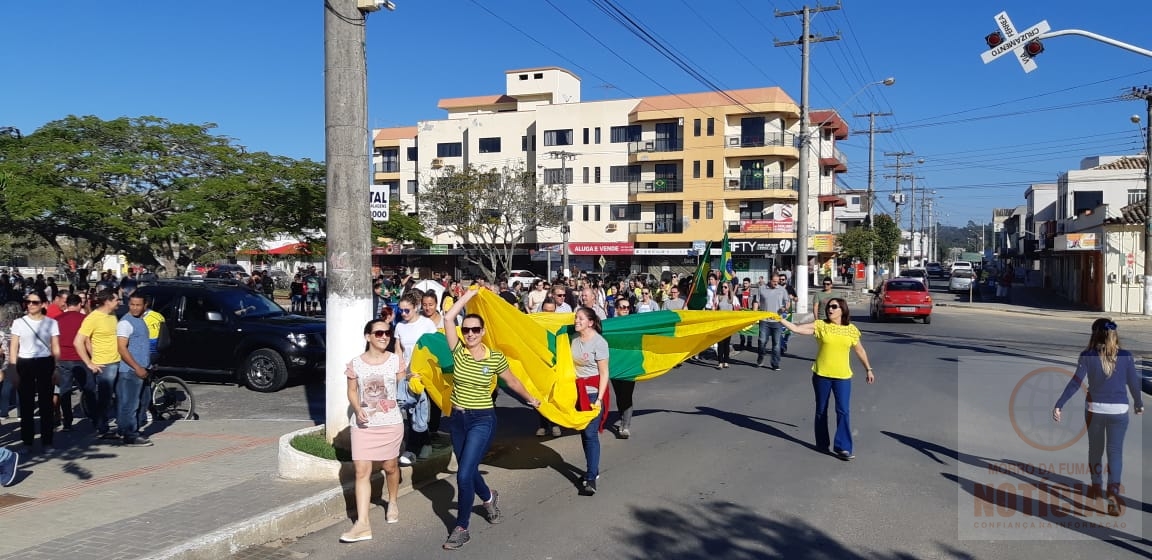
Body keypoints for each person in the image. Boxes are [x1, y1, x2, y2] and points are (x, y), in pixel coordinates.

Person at [435, 288, 540, 550]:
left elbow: (512, 380)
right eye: (467, 329)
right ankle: (489, 497)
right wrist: (469, 296)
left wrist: (530, 399)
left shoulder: (494, 358)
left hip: (482, 420)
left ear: (482, 332)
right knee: (468, 471)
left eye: (474, 329)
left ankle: (461, 527)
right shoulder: (458, 351)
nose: (469, 333)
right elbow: (448, 318)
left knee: (462, 475)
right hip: (457, 420)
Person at [1053, 319, 1143, 516]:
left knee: (1095, 449)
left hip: (1095, 409)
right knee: (1115, 453)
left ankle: (1096, 487)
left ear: (1094, 335)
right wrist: (1138, 403)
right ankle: (1113, 494)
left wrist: (1060, 404)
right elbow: (1133, 383)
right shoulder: (1126, 356)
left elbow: (1076, 383)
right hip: (1118, 411)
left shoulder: (1088, 356)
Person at [780, 298, 874, 461]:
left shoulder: (851, 330)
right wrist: (780, 319)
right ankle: (822, 443)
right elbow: (797, 329)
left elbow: (860, 350)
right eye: (828, 307)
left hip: (843, 377)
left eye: (834, 307)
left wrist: (868, 369)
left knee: (843, 411)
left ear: (842, 310)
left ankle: (843, 447)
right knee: (821, 410)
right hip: (822, 375)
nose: (830, 309)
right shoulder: (821, 326)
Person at [339, 319, 407, 543]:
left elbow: (403, 385)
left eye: (387, 333)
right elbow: (351, 391)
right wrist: (357, 409)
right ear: (368, 336)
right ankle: (362, 523)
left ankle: (393, 501)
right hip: (363, 425)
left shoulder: (396, 361)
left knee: (390, 466)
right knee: (361, 471)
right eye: (378, 333)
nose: (384, 337)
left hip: (390, 423)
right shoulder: (355, 364)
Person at [10, 290, 61, 451]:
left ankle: (47, 441)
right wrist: (13, 369)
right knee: (26, 404)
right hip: (25, 362)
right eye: (28, 302)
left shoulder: (51, 323)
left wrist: (56, 368)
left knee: (46, 404)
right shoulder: (19, 322)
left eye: (35, 302)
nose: (30, 305)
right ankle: (27, 441)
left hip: (45, 362)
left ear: (43, 304)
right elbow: (13, 347)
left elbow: (56, 347)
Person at [394, 291, 437, 463]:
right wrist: (400, 373)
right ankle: (421, 445)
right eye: (401, 311)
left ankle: (416, 447)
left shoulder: (426, 324)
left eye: (407, 310)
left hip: (422, 374)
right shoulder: (399, 326)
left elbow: (434, 348)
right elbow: (399, 351)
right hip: (406, 374)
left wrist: (424, 372)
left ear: (416, 308)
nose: (403, 314)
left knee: (421, 410)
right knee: (409, 410)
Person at [74, 289, 122, 440]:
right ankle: (102, 428)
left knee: (119, 396)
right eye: (116, 300)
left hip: (118, 360)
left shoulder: (112, 315)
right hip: (104, 364)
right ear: (107, 301)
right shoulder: (93, 318)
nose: (119, 302)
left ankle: (120, 426)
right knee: (105, 399)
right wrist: (89, 362)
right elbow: (78, 341)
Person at [573, 307, 610, 495]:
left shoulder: (599, 342)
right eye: (575, 317)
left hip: (594, 393)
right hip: (578, 393)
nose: (576, 320)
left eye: (580, 318)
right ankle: (591, 470)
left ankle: (591, 477)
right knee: (584, 433)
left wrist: (600, 399)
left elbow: (604, 373)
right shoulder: (573, 340)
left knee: (590, 434)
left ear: (590, 322)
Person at [115, 294, 154, 447]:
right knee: (130, 404)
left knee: (143, 401)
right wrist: (137, 367)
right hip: (131, 371)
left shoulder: (140, 320)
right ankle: (130, 434)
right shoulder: (125, 322)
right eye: (132, 304)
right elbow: (121, 348)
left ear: (145, 305)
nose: (135, 308)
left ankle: (130, 430)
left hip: (143, 370)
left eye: (138, 305)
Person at [55, 294, 89, 432]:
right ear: (80, 304)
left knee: (65, 390)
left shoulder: (56, 320)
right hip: (81, 358)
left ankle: (67, 421)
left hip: (63, 358)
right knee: (89, 389)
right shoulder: (85, 319)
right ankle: (94, 418)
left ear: (66, 304)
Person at [609, 298, 638, 439]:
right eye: (622, 307)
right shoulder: (610, 325)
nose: (625, 309)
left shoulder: (634, 324)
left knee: (626, 395)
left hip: (630, 365)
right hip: (615, 365)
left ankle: (625, 425)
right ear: (617, 308)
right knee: (619, 395)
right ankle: (622, 417)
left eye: (627, 307)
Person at [752, 276, 788, 370]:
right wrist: (754, 315)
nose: (776, 283)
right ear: (770, 280)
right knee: (762, 341)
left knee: (776, 344)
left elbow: (787, 303)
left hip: (777, 321)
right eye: (774, 281)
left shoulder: (782, 290)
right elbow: (756, 302)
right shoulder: (762, 289)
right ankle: (761, 356)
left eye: (777, 281)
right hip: (764, 321)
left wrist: (784, 308)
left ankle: (775, 363)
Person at [713, 283, 740, 368]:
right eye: (722, 287)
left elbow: (737, 311)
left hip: (729, 324)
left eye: (725, 287)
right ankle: (720, 362)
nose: (723, 289)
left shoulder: (733, 298)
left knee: (726, 343)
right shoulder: (718, 297)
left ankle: (726, 361)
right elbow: (714, 310)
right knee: (720, 343)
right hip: (720, 324)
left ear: (729, 288)